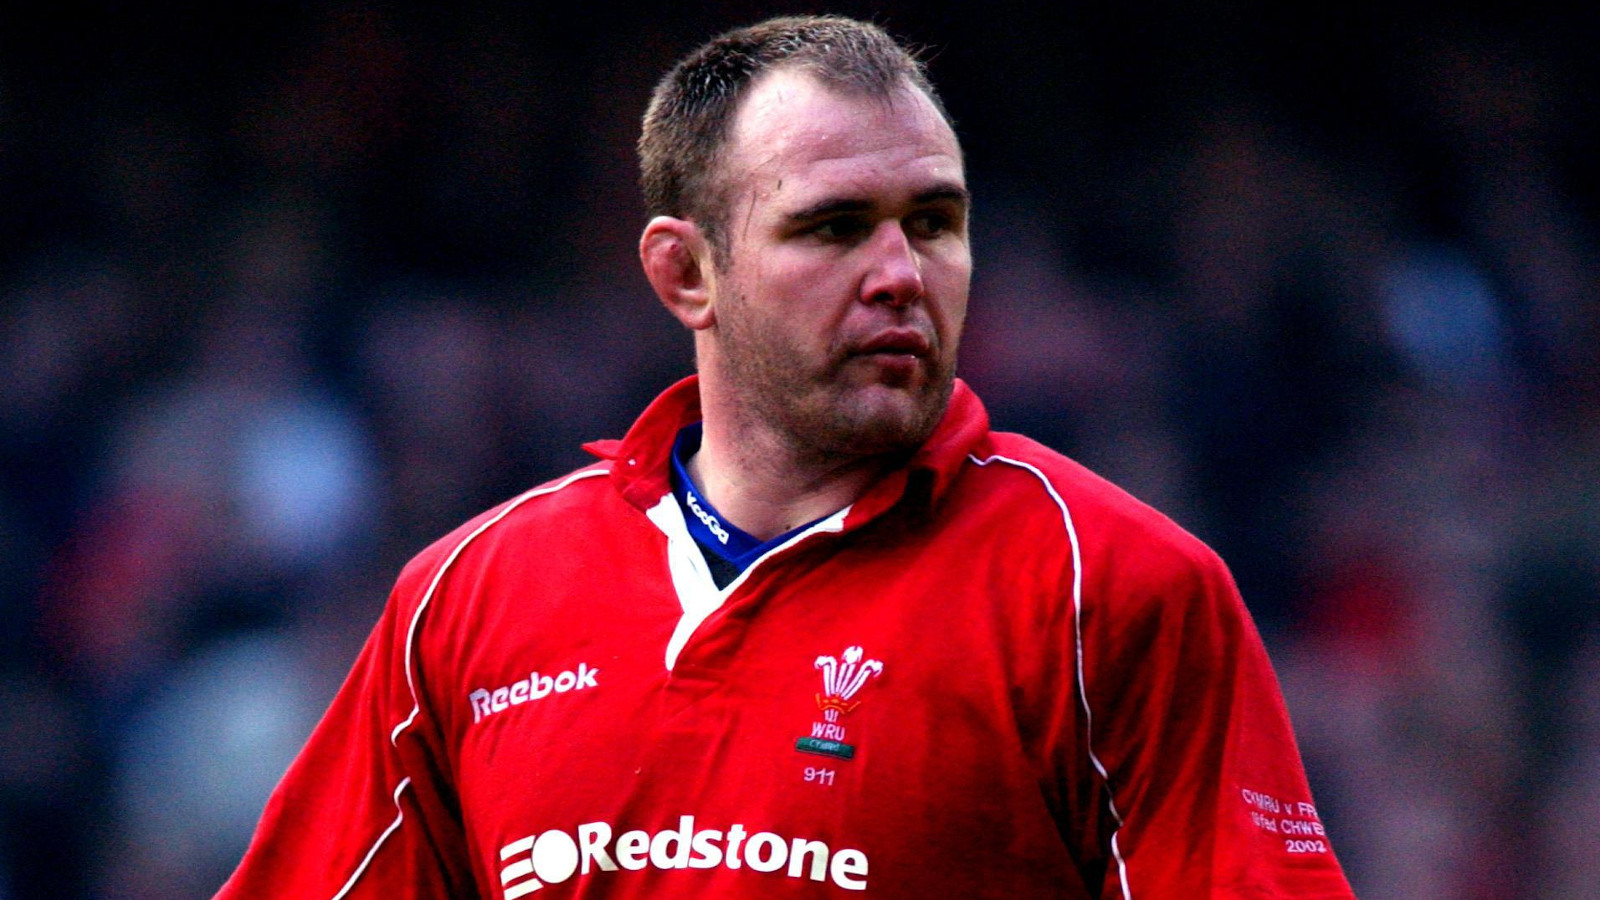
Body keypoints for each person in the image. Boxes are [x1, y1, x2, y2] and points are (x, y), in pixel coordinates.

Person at [217, 15, 1355, 899]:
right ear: (685, 275)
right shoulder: (470, 599)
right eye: (833, 225)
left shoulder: (1105, 585)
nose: (902, 270)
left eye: (936, 220)